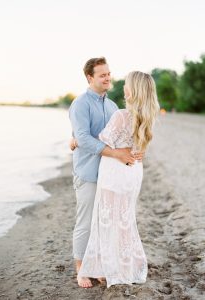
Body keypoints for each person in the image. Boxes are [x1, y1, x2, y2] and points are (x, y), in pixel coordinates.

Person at [77, 71, 160, 288]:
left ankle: (109, 268)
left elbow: (102, 140)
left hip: (115, 172)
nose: (123, 86)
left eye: (127, 83)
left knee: (107, 221)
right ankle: (125, 267)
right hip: (133, 173)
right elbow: (139, 147)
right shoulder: (148, 116)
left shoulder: (122, 115)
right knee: (124, 221)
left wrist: (76, 139)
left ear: (132, 90)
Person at [69, 57, 144, 288]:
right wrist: (76, 141)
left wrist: (134, 152)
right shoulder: (80, 104)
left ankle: (100, 266)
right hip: (89, 173)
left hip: (111, 175)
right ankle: (81, 270)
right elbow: (82, 137)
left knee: (105, 223)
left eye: (109, 73)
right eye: (102, 75)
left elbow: (121, 136)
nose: (108, 78)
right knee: (86, 223)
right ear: (90, 78)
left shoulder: (112, 106)